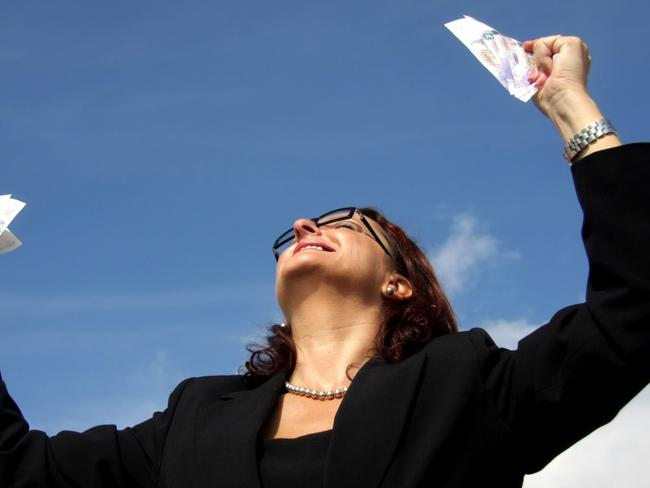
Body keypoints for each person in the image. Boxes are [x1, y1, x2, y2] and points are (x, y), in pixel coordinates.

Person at [1, 35, 648, 488]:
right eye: (297, 228)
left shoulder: (465, 385)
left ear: (399, 282)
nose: (306, 224)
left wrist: (572, 108)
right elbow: (16, 466)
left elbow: (633, 314)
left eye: (345, 222)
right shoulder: (193, 417)